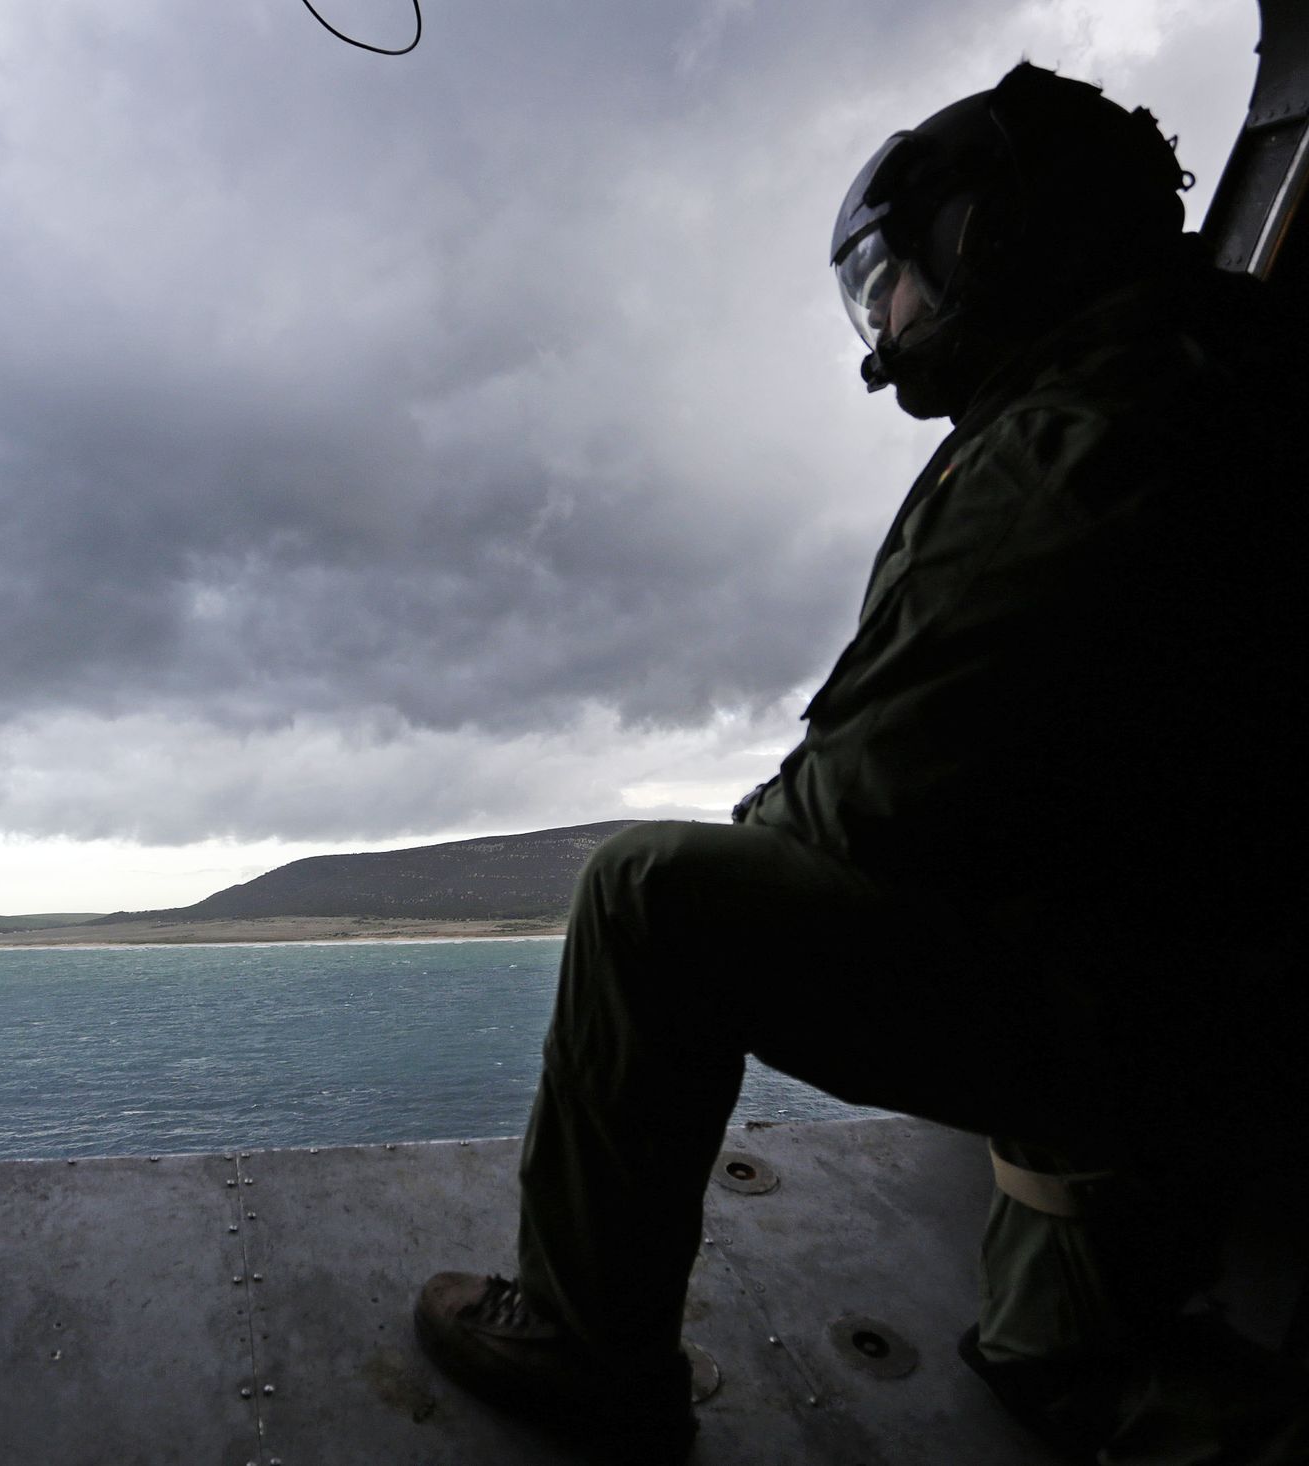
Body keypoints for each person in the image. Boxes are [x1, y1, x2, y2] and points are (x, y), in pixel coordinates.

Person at [413, 63, 1308, 1464]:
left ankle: (591, 1352)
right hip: (1213, 976)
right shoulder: (1226, 378)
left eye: (896, 279)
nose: (885, 318)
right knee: (1052, 1351)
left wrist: (757, 830)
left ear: (988, 247)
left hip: (1159, 1007)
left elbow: (868, 798)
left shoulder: (1073, 445)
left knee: (650, 895)